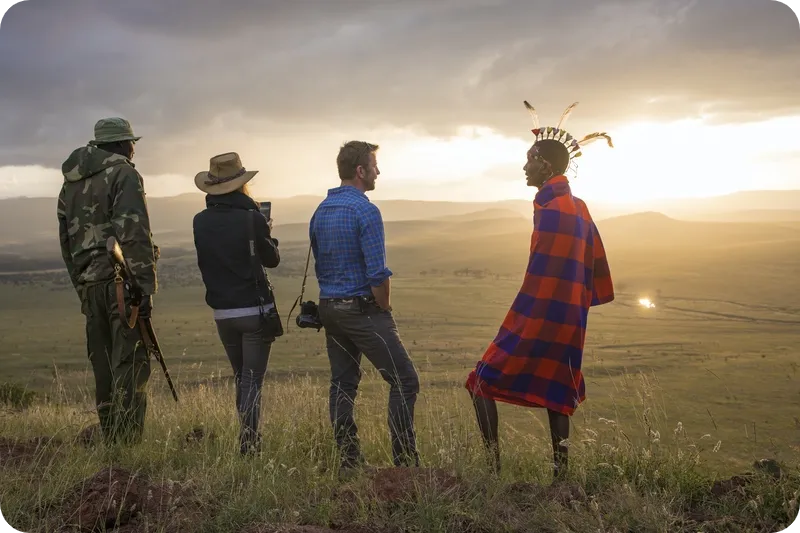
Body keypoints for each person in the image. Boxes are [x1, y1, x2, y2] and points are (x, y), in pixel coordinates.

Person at [465, 102, 615, 481]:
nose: (524, 167)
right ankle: (561, 481)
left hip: (539, 313)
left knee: (481, 379)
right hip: (570, 320)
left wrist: (525, 312)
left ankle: (492, 468)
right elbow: (594, 263)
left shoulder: (551, 211)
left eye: (529, 160)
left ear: (545, 166)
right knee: (557, 392)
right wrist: (576, 307)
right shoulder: (579, 207)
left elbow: (541, 273)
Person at [309, 140, 420, 475]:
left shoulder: (320, 210)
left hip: (329, 307)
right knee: (405, 381)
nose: (378, 171)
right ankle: (405, 466)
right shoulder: (365, 210)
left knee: (343, 382)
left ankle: (348, 461)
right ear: (360, 171)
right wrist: (384, 308)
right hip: (361, 309)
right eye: (374, 166)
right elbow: (377, 273)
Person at [57, 117, 158, 445]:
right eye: (131, 143)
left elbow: (66, 243)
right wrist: (143, 289)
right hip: (120, 285)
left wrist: (82, 287)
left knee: (103, 367)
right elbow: (134, 232)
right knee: (129, 364)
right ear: (117, 144)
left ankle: (112, 442)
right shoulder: (124, 173)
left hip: (89, 286)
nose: (133, 149)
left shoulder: (69, 184)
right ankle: (126, 450)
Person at [192, 152, 280, 455]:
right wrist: (266, 231)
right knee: (252, 381)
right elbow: (273, 260)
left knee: (241, 378)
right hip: (253, 311)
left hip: (222, 313)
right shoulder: (251, 218)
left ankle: (247, 440)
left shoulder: (199, 222)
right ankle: (249, 445)